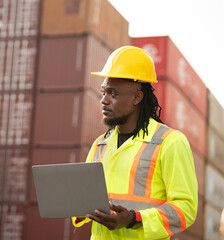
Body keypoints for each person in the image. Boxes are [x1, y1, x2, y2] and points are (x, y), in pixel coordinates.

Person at [72, 46, 198, 239]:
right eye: (103, 92)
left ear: (137, 97)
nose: (103, 100)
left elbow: (185, 210)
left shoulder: (170, 142)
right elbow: (87, 200)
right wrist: (77, 206)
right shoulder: (100, 145)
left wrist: (134, 219)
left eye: (112, 93)